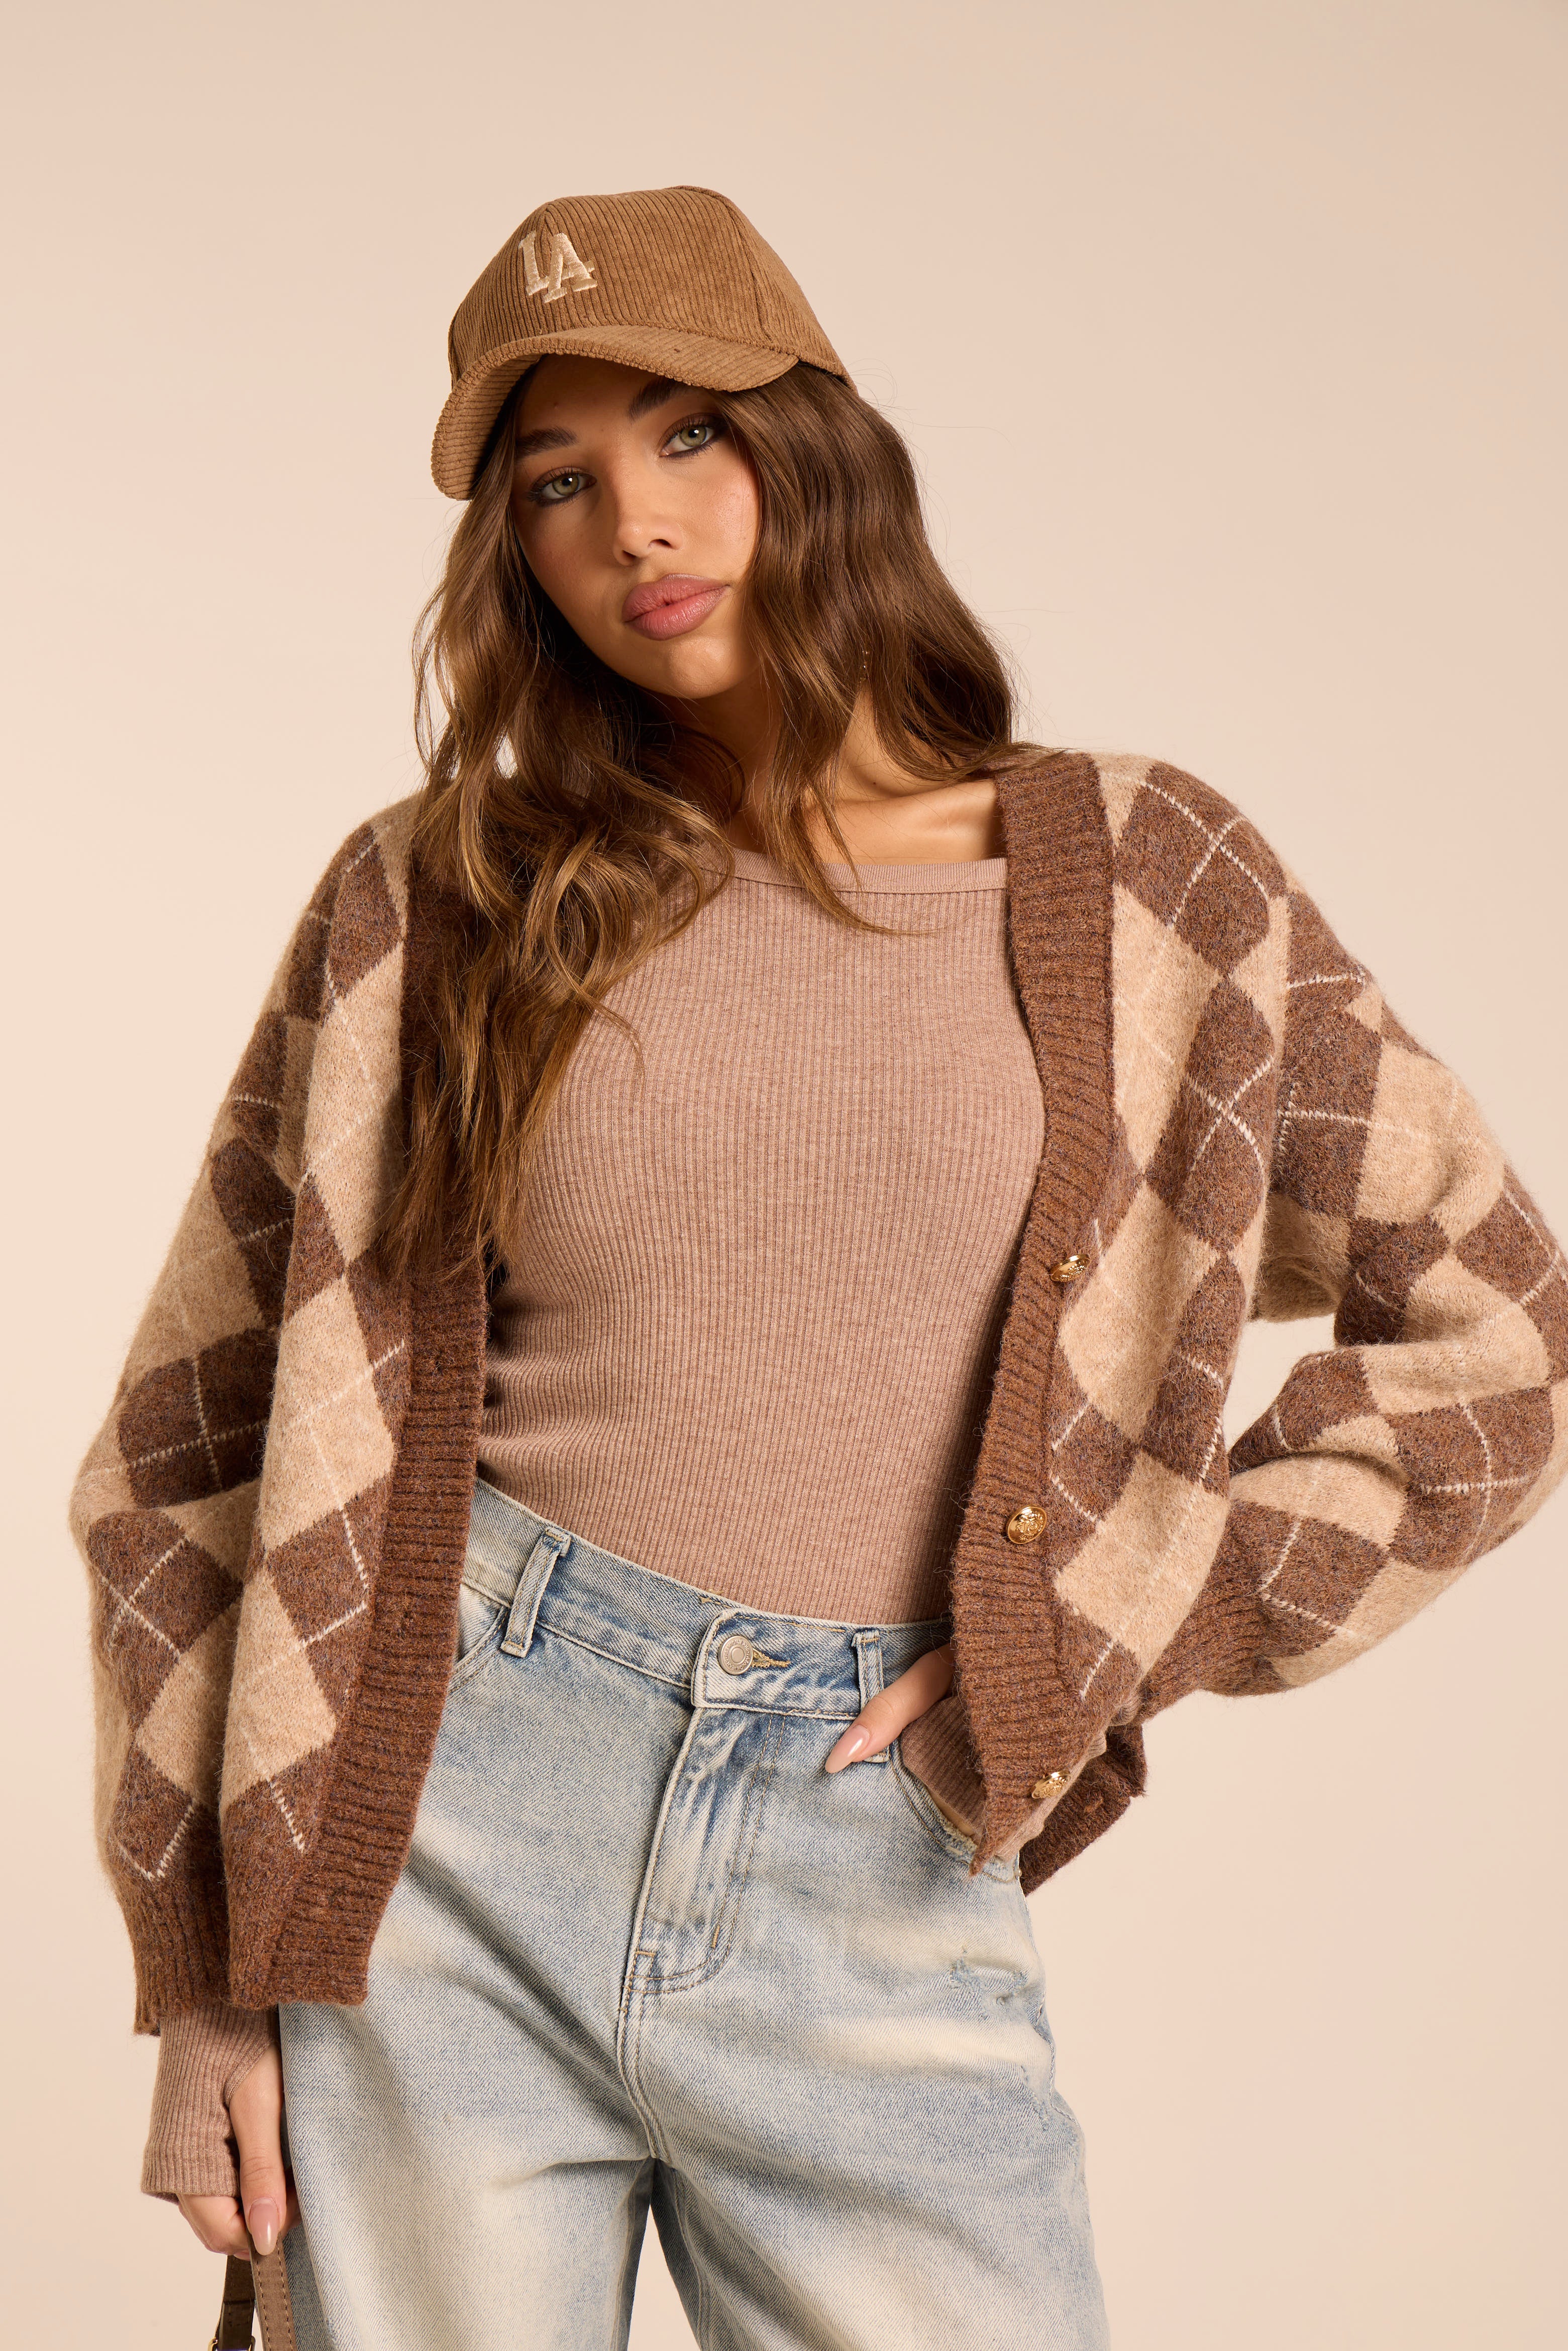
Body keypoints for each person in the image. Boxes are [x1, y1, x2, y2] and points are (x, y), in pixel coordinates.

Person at [70, 185, 1567, 2351]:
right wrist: (210, 1981)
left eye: (690, 433)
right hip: (436, 1838)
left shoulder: (1149, 884)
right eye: (557, 482)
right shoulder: (442, 897)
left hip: (875, 1850)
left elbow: (1504, 1337)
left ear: (817, 447)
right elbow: (185, 1452)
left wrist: (1122, 1611)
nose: (636, 525)